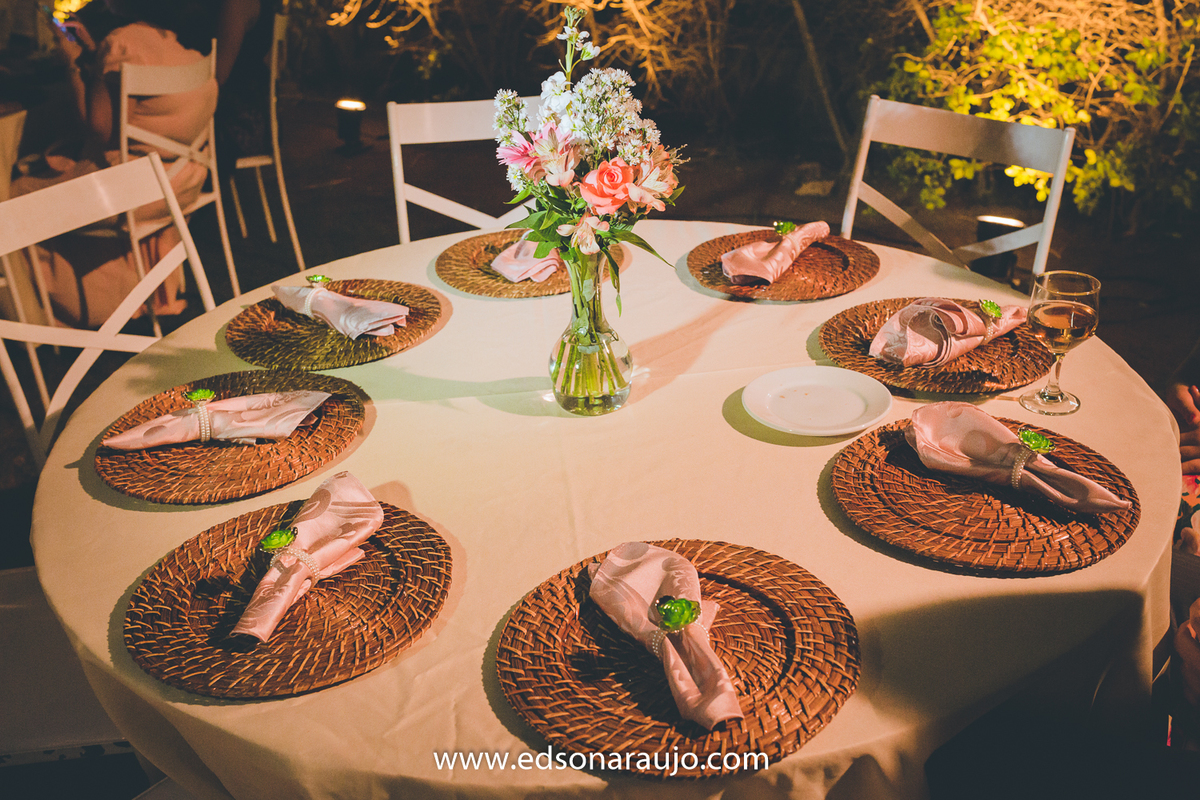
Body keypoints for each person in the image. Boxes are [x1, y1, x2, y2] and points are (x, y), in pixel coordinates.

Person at [14, 0, 217, 328]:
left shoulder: (122, 41)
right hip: (183, 184)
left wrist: (71, 63)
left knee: (13, 195)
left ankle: (32, 325)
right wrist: (98, 59)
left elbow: (96, 127)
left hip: (130, 194)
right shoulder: (183, 43)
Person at [211, 0, 281, 174]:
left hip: (237, 126)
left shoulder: (238, 4)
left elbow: (219, 75)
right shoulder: (268, 5)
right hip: (258, 121)